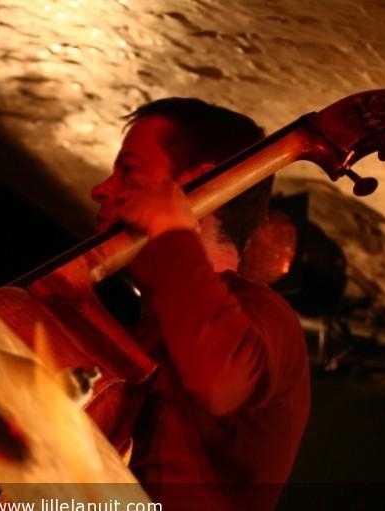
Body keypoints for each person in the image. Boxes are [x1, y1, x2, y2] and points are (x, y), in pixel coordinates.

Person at [89, 97, 311, 511]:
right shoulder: (141, 332)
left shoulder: (262, 313)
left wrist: (172, 233)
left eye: (128, 171)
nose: (100, 189)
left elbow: (220, 380)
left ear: (196, 186)